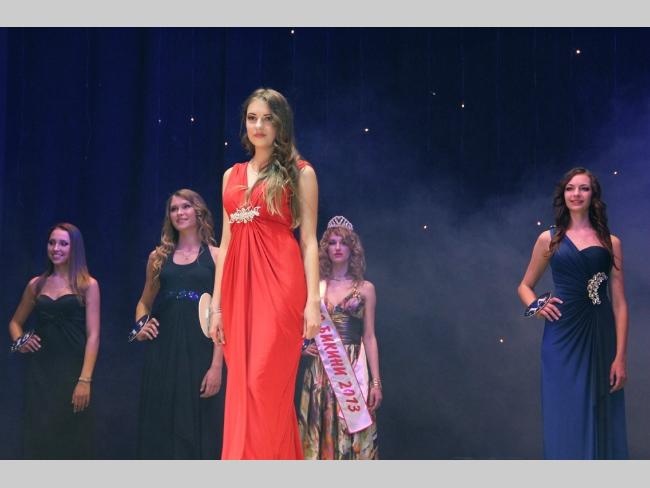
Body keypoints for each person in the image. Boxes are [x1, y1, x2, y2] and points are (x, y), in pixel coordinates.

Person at [209, 87, 320, 459]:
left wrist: (313, 302)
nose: (258, 126)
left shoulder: (301, 173)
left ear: (281, 124)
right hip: (238, 289)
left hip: (280, 286)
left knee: (263, 384)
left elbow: (309, 242)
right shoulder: (231, 175)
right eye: (252, 118)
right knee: (242, 388)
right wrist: (217, 307)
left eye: (267, 119)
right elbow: (225, 244)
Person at [518, 167, 628, 459]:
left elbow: (620, 303)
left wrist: (620, 356)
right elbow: (525, 286)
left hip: (600, 331)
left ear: (593, 196)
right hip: (562, 335)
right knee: (564, 409)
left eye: (583, 188)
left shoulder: (611, 242)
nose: (576, 194)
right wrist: (537, 307)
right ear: (563, 195)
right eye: (570, 188)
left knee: (600, 405)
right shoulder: (549, 238)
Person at [134, 189, 224, 459]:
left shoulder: (217, 256)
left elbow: (224, 314)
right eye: (173, 209)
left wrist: (216, 366)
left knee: (198, 426)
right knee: (161, 426)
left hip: (199, 354)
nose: (179, 213)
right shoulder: (158, 257)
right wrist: (140, 326)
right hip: (163, 352)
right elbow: (144, 302)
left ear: (199, 211)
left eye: (185, 206)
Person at [8, 222, 100, 459]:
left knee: (73, 439)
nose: (56, 248)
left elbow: (93, 335)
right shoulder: (36, 284)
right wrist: (20, 340)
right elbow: (15, 322)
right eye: (52, 242)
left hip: (73, 371)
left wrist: (85, 380)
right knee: (40, 437)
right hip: (40, 373)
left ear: (74, 248)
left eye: (63, 243)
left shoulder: (88, 285)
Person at [299, 216, 381, 459]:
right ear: (325, 248)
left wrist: (376, 382)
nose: (337, 247)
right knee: (319, 428)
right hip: (321, 368)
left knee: (352, 428)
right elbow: (297, 323)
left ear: (352, 248)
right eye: (332, 242)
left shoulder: (366, 288)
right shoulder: (314, 286)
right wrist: (301, 346)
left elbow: (369, 336)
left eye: (343, 243)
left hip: (353, 368)